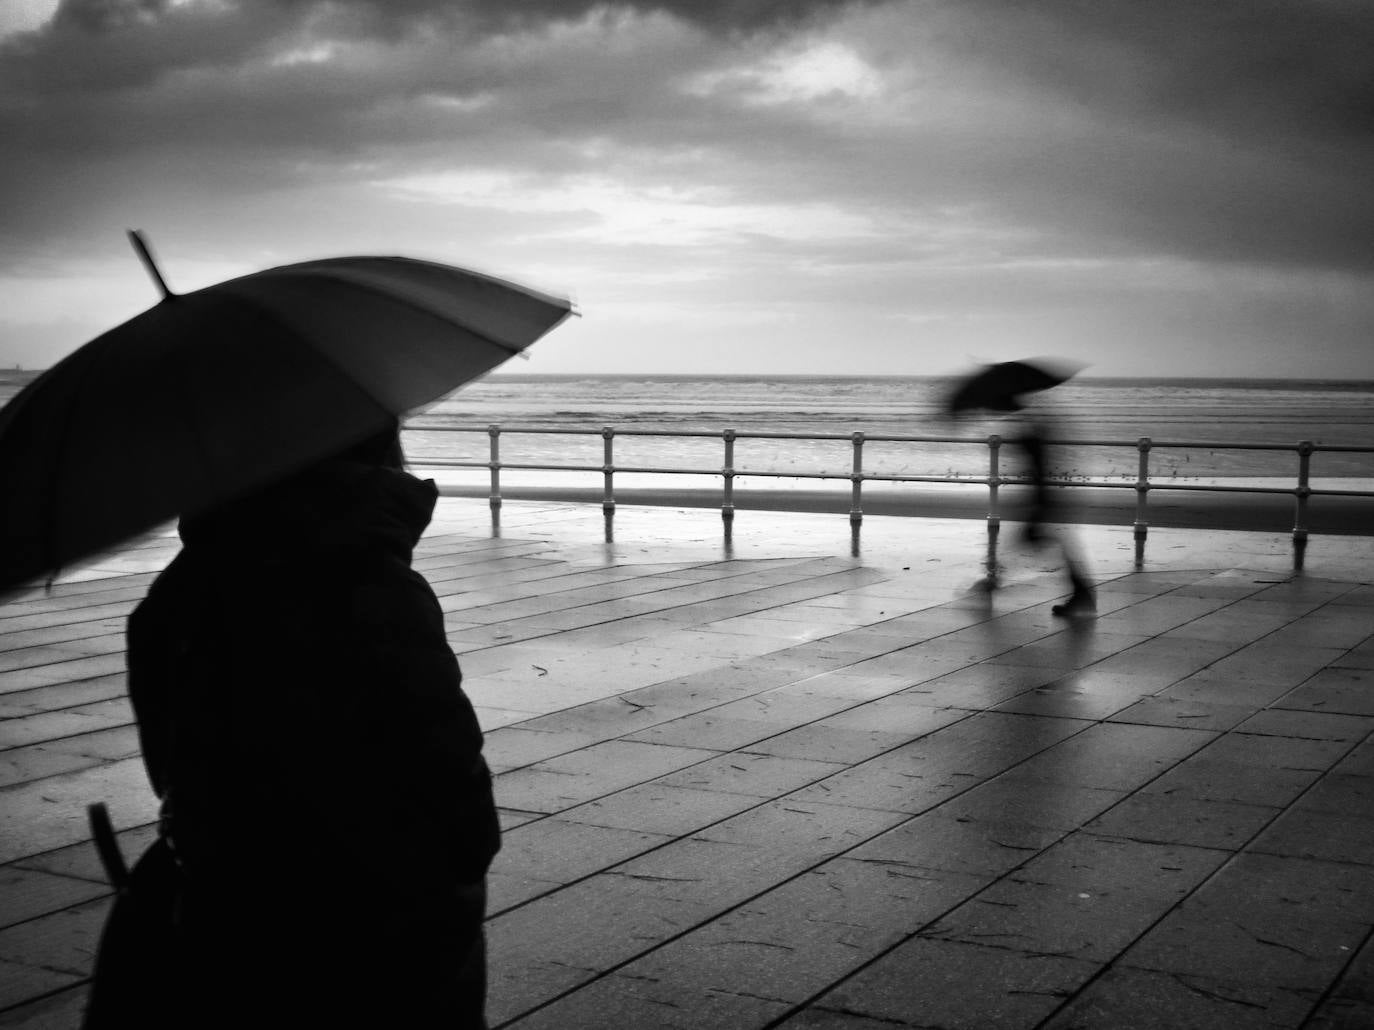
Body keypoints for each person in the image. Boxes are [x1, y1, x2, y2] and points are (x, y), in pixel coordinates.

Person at [83, 419, 500, 1029]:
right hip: (383, 922)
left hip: (224, 903)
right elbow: (446, 774)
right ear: (376, 451)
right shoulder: (373, 586)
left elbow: (168, 763)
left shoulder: (177, 593)